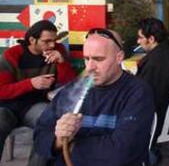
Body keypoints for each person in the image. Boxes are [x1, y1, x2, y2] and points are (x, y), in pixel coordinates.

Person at [33, 28, 155, 166]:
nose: (90, 67)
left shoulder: (137, 92)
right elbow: (39, 136)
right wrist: (59, 140)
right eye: (86, 59)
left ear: (119, 57)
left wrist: (70, 146)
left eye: (98, 59)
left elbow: (123, 153)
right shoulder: (73, 89)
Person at [0, 20, 76, 164]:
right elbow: (1, 90)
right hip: (8, 106)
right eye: (46, 41)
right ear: (32, 40)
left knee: (49, 123)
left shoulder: (57, 51)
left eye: (54, 40)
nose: (52, 45)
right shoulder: (12, 55)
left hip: (35, 105)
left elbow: (70, 85)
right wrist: (31, 84)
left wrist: (62, 63)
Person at [136, 18, 169, 163]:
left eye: (140, 38)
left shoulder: (157, 62)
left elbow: (145, 99)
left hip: (160, 120)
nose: (138, 41)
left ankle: (148, 156)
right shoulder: (166, 53)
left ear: (151, 39)